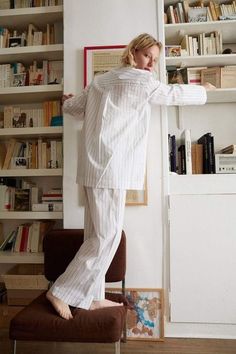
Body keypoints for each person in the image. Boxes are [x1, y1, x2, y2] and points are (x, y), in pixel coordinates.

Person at [46, 33, 215, 320]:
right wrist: (206, 90)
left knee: (95, 234)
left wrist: (66, 100)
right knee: (106, 238)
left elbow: (75, 108)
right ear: (133, 52)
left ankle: (92, 296)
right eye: (148, 55)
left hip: (92, 169)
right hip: (110, 169)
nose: (151, 63)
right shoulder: (141, 80)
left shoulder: (101, 80)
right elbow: (172, 94)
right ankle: (61, 291)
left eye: (155, 60)